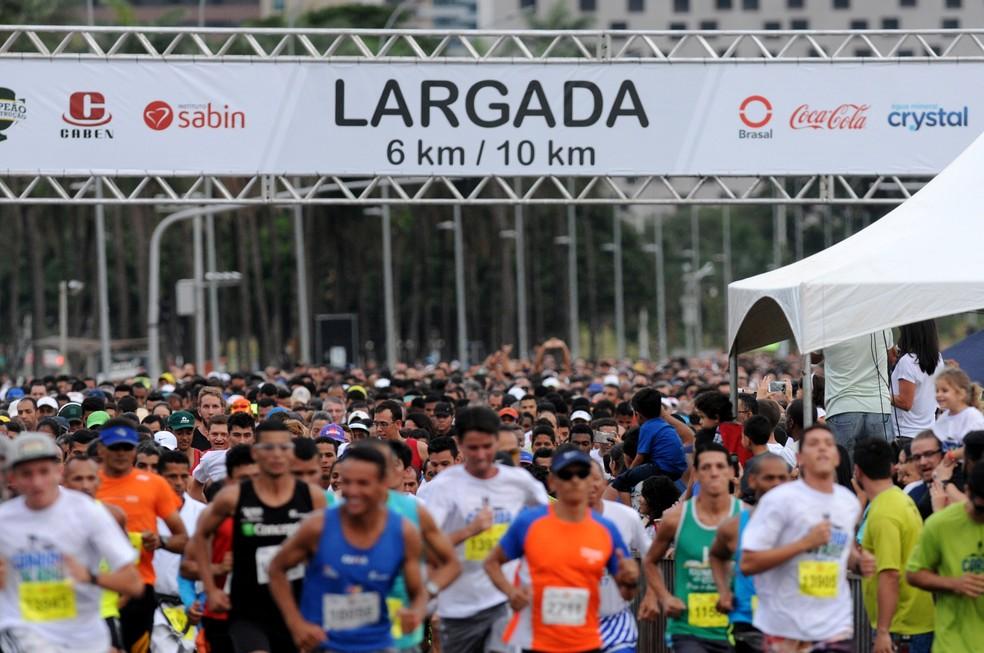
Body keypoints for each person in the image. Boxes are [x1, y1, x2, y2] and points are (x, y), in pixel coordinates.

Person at [268, 444, 429, 653]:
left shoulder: (402, 530)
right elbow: (276, 569)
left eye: (363, 483)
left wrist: (415, 612)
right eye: (347, 482)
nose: (352, 491)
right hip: (325, 644)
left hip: (379, 644)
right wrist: (295, 623)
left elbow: (418, 591)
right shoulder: (318, 526)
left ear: (382, 484)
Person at [484, 447, 638, 653]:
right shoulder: (529, 522)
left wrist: (630, 581)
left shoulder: (606, 529)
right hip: (535, 641)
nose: (574, 480)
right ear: (552, 482)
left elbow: (627, 593)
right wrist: (511, 593)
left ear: (590, 481)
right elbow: (492, 562)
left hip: (587, 641)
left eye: (582, 474)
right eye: (566, 474)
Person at [189, 420, 326, 653]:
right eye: (268, 448)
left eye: (283, 448)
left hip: (298, 605)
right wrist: (211, 589)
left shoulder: (312, 496)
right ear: (255, 452)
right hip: (248, 609)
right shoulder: (233, 497)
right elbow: (201, 535)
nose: (276, 455)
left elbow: (324, 551)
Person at [0, 433, 144, 653]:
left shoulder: (88, 513)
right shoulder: (4, 520)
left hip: (83, 640)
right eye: (27, 474)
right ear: (12, 477)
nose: (36, 482)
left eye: (44, 472)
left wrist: (89, 576)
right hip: (24, 637)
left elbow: (133, 584)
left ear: (59, 472)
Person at [421, 406, 549, 652]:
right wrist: (470, 530)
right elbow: (428, 547)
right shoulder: (442, 487)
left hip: (504, 600)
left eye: (487, 447)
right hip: (458, 605)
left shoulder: (519, 482)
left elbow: (551, 525)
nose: (481, 455)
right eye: (472, 448)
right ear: (459, 444)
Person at [739, 425, 872, 652]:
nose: (822, 448)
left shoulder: (848, 502)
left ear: (837, 457)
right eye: (813, 444)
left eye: (828, 444)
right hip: (786, 628)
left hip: (834, 626)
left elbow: (842, 551)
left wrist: (859, 562)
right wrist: (804, 543)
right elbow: (748, 563)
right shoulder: (779, 500)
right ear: (799, 458)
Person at [95, 419, 189, 653]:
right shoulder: (88, 484)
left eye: (126, 447)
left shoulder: (154, 484)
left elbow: (183, 539)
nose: (121, 453)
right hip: (95, 588)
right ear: (100, 449)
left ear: (135, 449)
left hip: (140, 587)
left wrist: (160, 541)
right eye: (114, 447)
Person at [639, 443, 741, 653]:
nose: (714, 473)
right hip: (686, 627)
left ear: (731, 471)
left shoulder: (745, 516)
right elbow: (650, 560)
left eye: (720, 467)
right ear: (695, 473)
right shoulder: (676, 518)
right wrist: (664, 597)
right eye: (706, 467)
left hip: (733, 625)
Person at [853, 437, 934, 653]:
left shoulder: (884, 513)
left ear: (857, 472)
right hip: (909, 624)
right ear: (891, 468)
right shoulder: (899, 498)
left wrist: (882, 631)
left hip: (901, 627)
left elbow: (889, 574)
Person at [709, 453, 791, 653]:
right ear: (753, 480)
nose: (776, 484)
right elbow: (716, 556)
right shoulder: (734, 526)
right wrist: (724, 591)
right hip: (748, 624)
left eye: (782, 478)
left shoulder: (801, 525)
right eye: (769, 478)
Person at [906, 463, 984, 653]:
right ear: (966, 491)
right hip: (953, 644)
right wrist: (954, 584)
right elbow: (913, 574)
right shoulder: (940, 524)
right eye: (980, 509)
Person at [588, 460, 651, 653]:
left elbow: (651, 557)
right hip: (571, 622)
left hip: (615, 621)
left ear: (604, 482)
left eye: (595, 479)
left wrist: (653, 594)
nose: (590, 485)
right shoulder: (551, 520)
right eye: (582, 478)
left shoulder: (626, 516)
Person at [152, 449, 207, 653]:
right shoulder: (148, 514)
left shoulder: (203, 514)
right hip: (157, 606)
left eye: (183, 476)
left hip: (196, 606)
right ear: (159, 478)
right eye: (171, 477)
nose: (178, 482)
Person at [815, 330, 895, 455]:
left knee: (844, 470)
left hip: (842, 406)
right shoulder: (881, 322)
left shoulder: (828, 322)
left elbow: (813, 356)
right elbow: (891, 357)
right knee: (880, 469)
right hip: (878, 406)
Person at [610, 388, 687, 501]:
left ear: (638, 415)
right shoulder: (664, 424)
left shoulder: (647, 427)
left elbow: (640, 456)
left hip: (663, 468)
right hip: (679, 470)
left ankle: (629, 510)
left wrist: (629, 472)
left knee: (622, 481)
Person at [890, 320, 943, 443]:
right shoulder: (938, 359)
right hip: (928, 431)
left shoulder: (907, 361)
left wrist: (881, 395)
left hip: (905, 433)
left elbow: (905, 403)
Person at [932, 367, 984, 452]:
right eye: (937, 391)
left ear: (961, 394)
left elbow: (976, 447)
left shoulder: (972, 416)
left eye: (944, 391)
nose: (938, 394)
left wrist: (952, 456)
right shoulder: (943, 417)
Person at [906, 431, 946, 520]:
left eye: (929, 454)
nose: (922, 462)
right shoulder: (912, 495)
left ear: (943, 454)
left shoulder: (962, 491)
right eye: (917, 457)